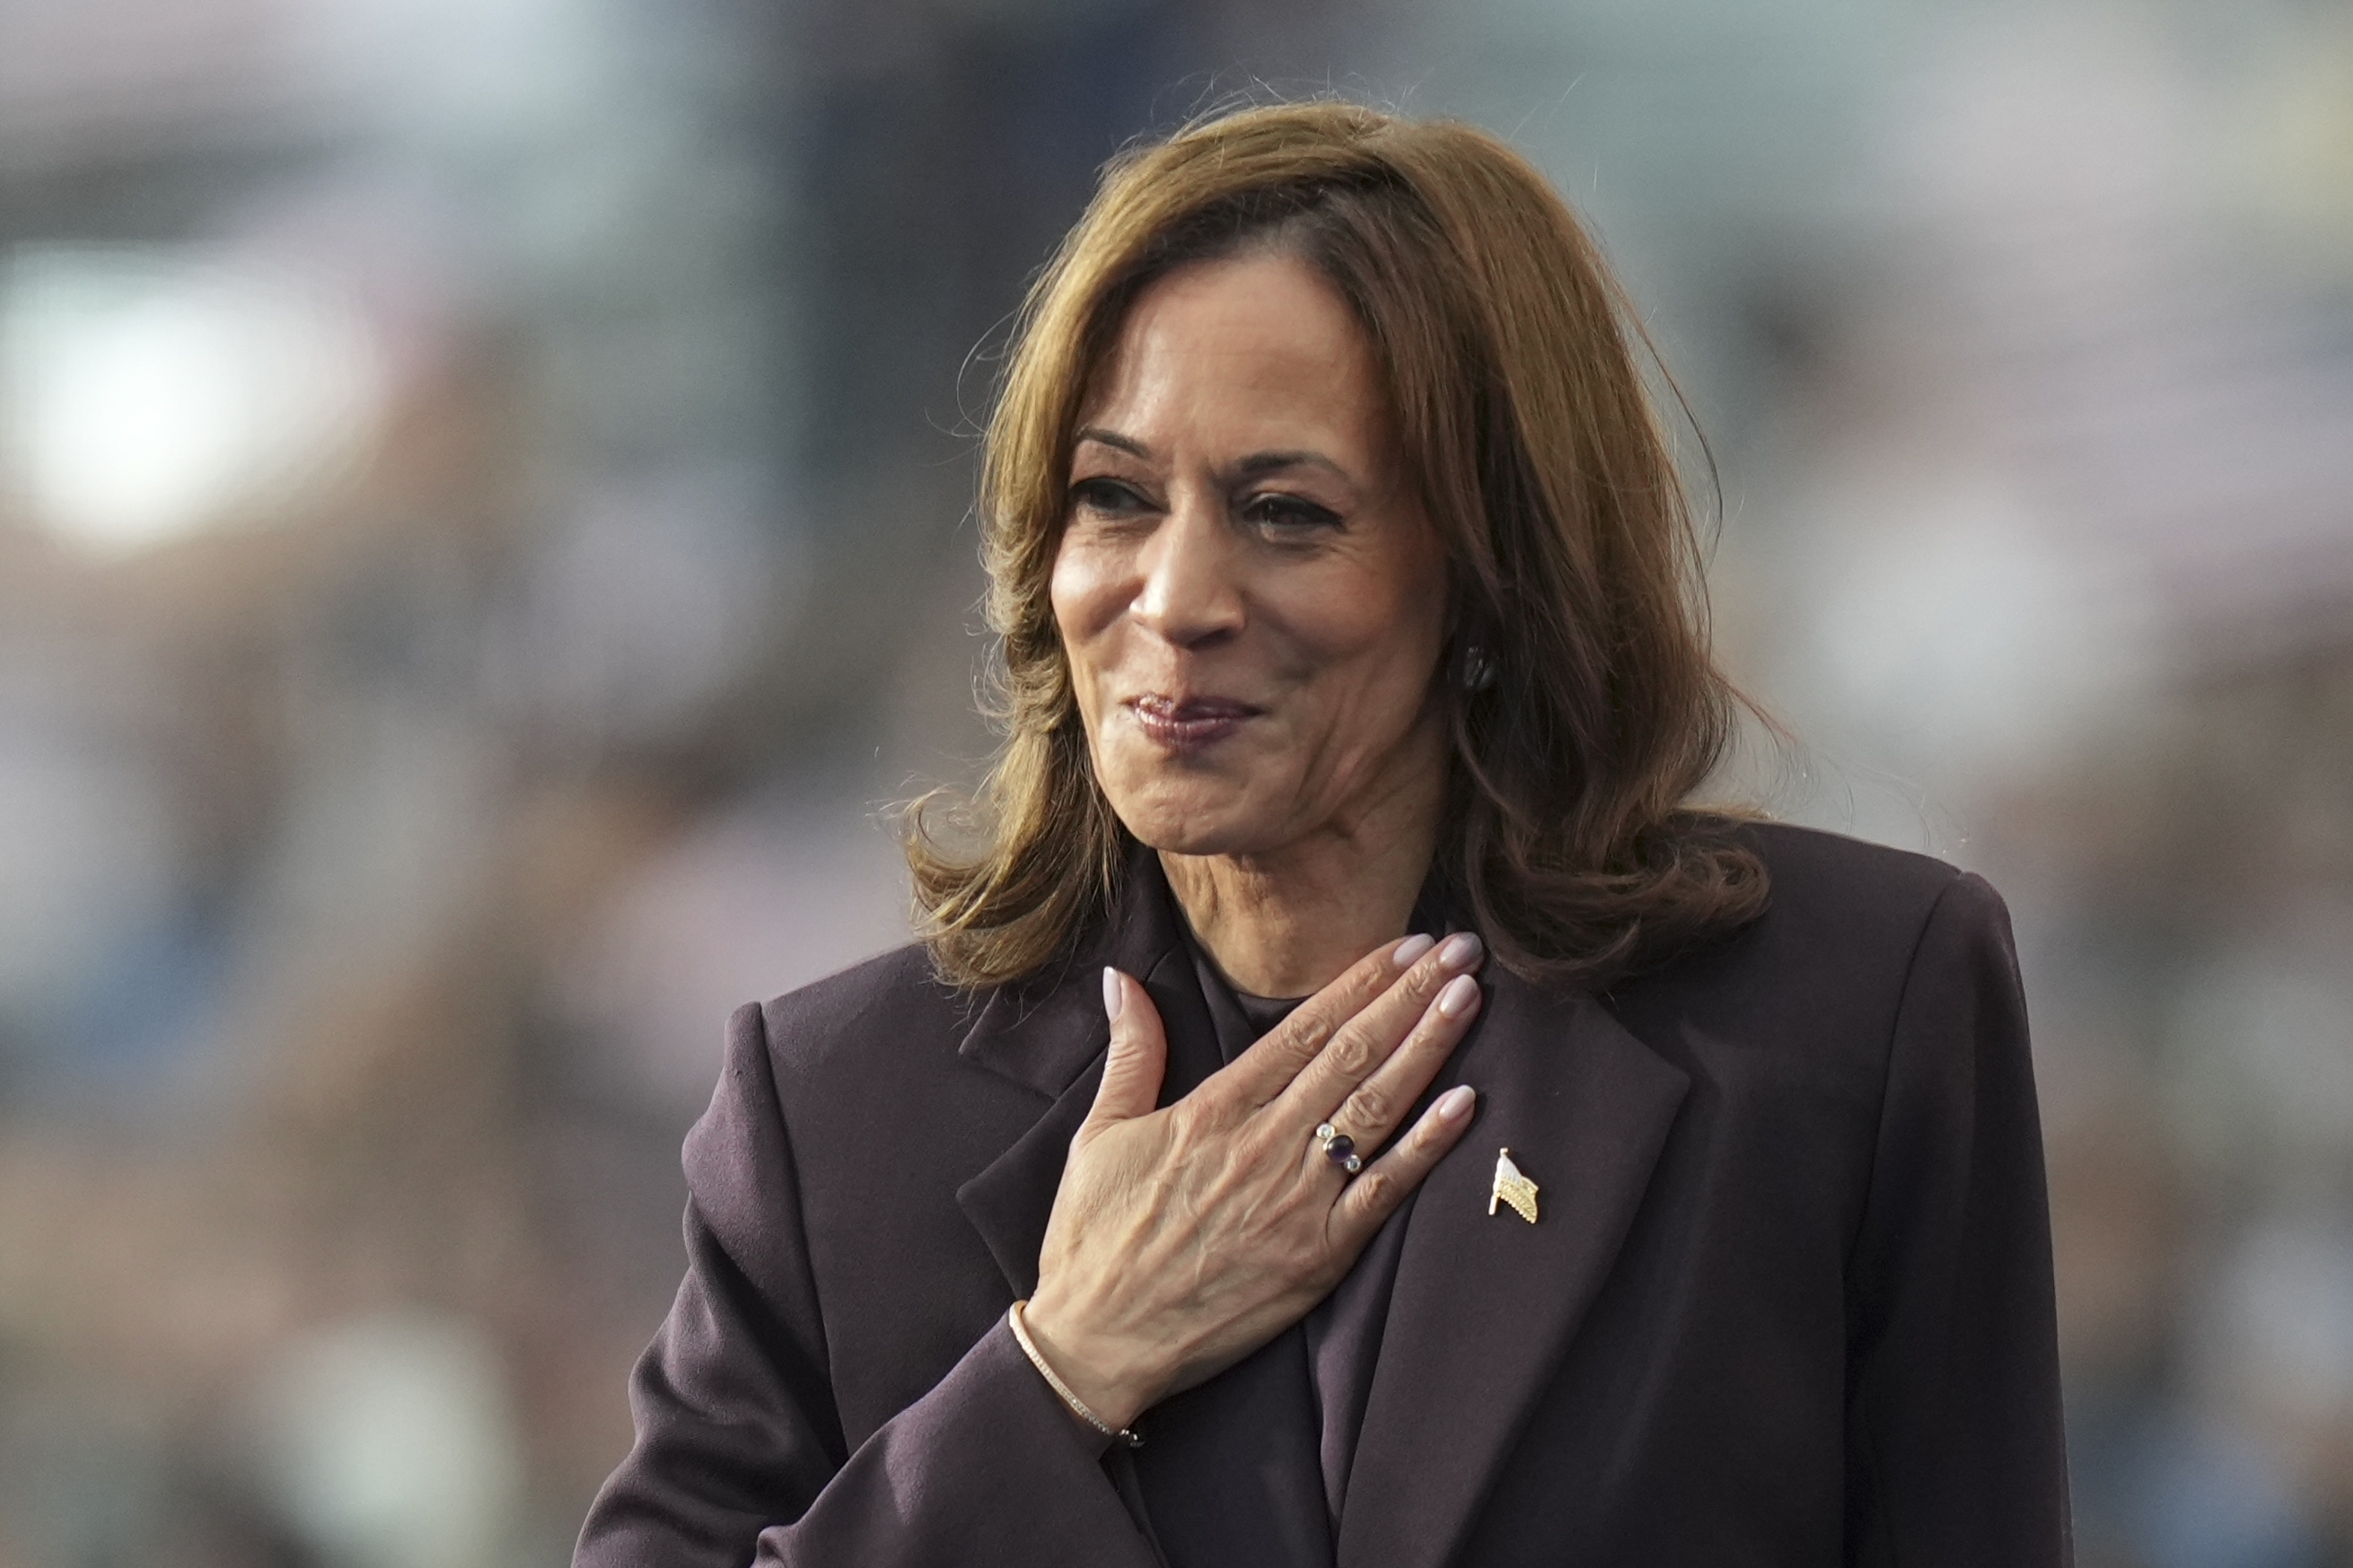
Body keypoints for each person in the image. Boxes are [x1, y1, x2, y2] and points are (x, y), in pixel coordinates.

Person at [575, 101, 2069, 1568]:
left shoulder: (1850, 1022)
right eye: (1112, 499)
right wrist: (1062, 1368)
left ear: (1492, 575)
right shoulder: (835, 1114)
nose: (1175, 600)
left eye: (1285, 513)